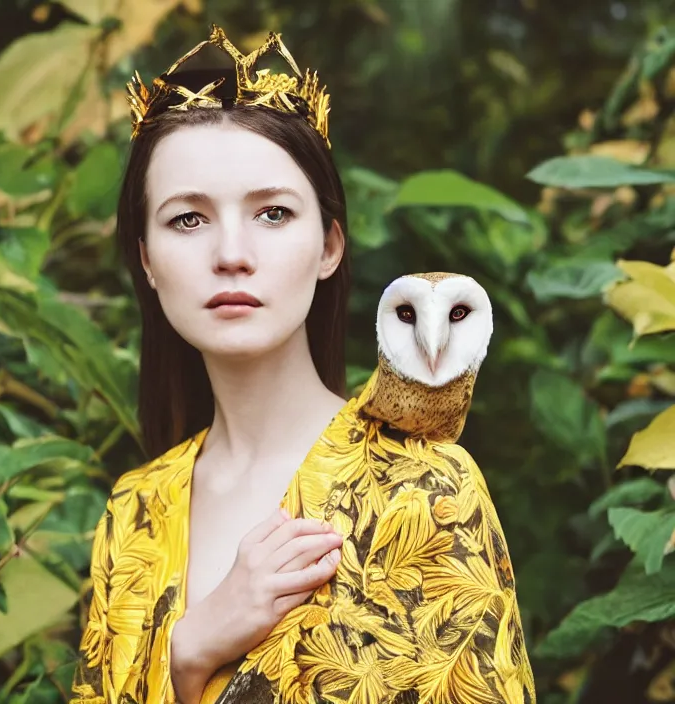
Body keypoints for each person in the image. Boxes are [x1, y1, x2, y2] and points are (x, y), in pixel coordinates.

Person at [71, 25, 535, 704]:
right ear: (145, 259)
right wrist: (190, 657)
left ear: (329, 247)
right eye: (188, 220)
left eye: (273, 213)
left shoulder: (422, 489)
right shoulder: (133, 512)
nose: (231, 252)